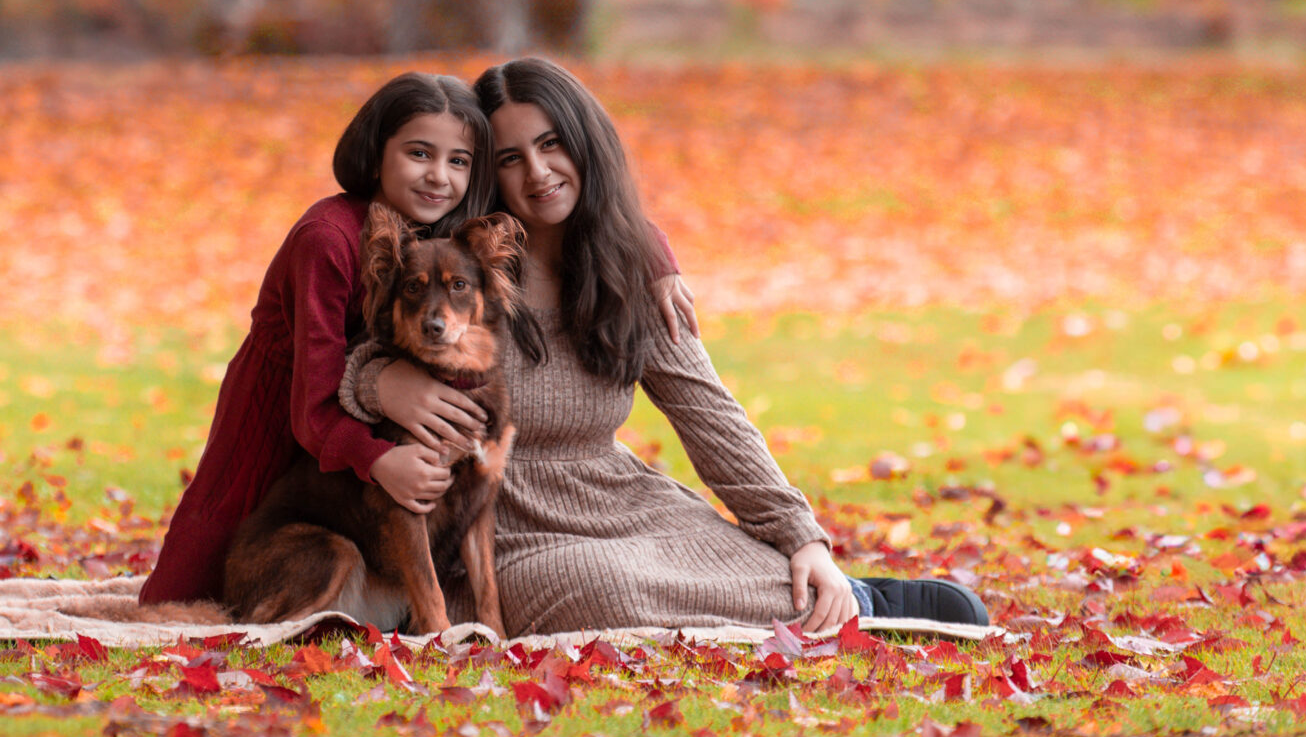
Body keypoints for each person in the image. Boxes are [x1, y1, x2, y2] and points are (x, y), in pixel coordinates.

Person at [346, 56, 989, 636]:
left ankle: (856, 602)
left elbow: (708, 413)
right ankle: (828, 611)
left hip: (625, 503)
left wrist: (803, 539)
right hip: (502, 532)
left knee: (737, 558)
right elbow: (364, 351)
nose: (538, 173)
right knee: (603, 590)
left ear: (586, 146)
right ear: (490, 171)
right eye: (511, 158)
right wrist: (380, 384)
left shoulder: (626, 274)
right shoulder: (461, 267)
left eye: (552, 144)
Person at [139, 69, 692, 605]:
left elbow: (583, 212)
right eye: (419, 154)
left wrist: (654, 254)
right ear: (377, 149)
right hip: (288, 425)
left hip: (352, 456)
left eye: (460, 162)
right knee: (203, 580)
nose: (438, 177)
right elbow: (312, 404)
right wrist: (379, 453)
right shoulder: (327, 239)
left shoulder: (440, 227)